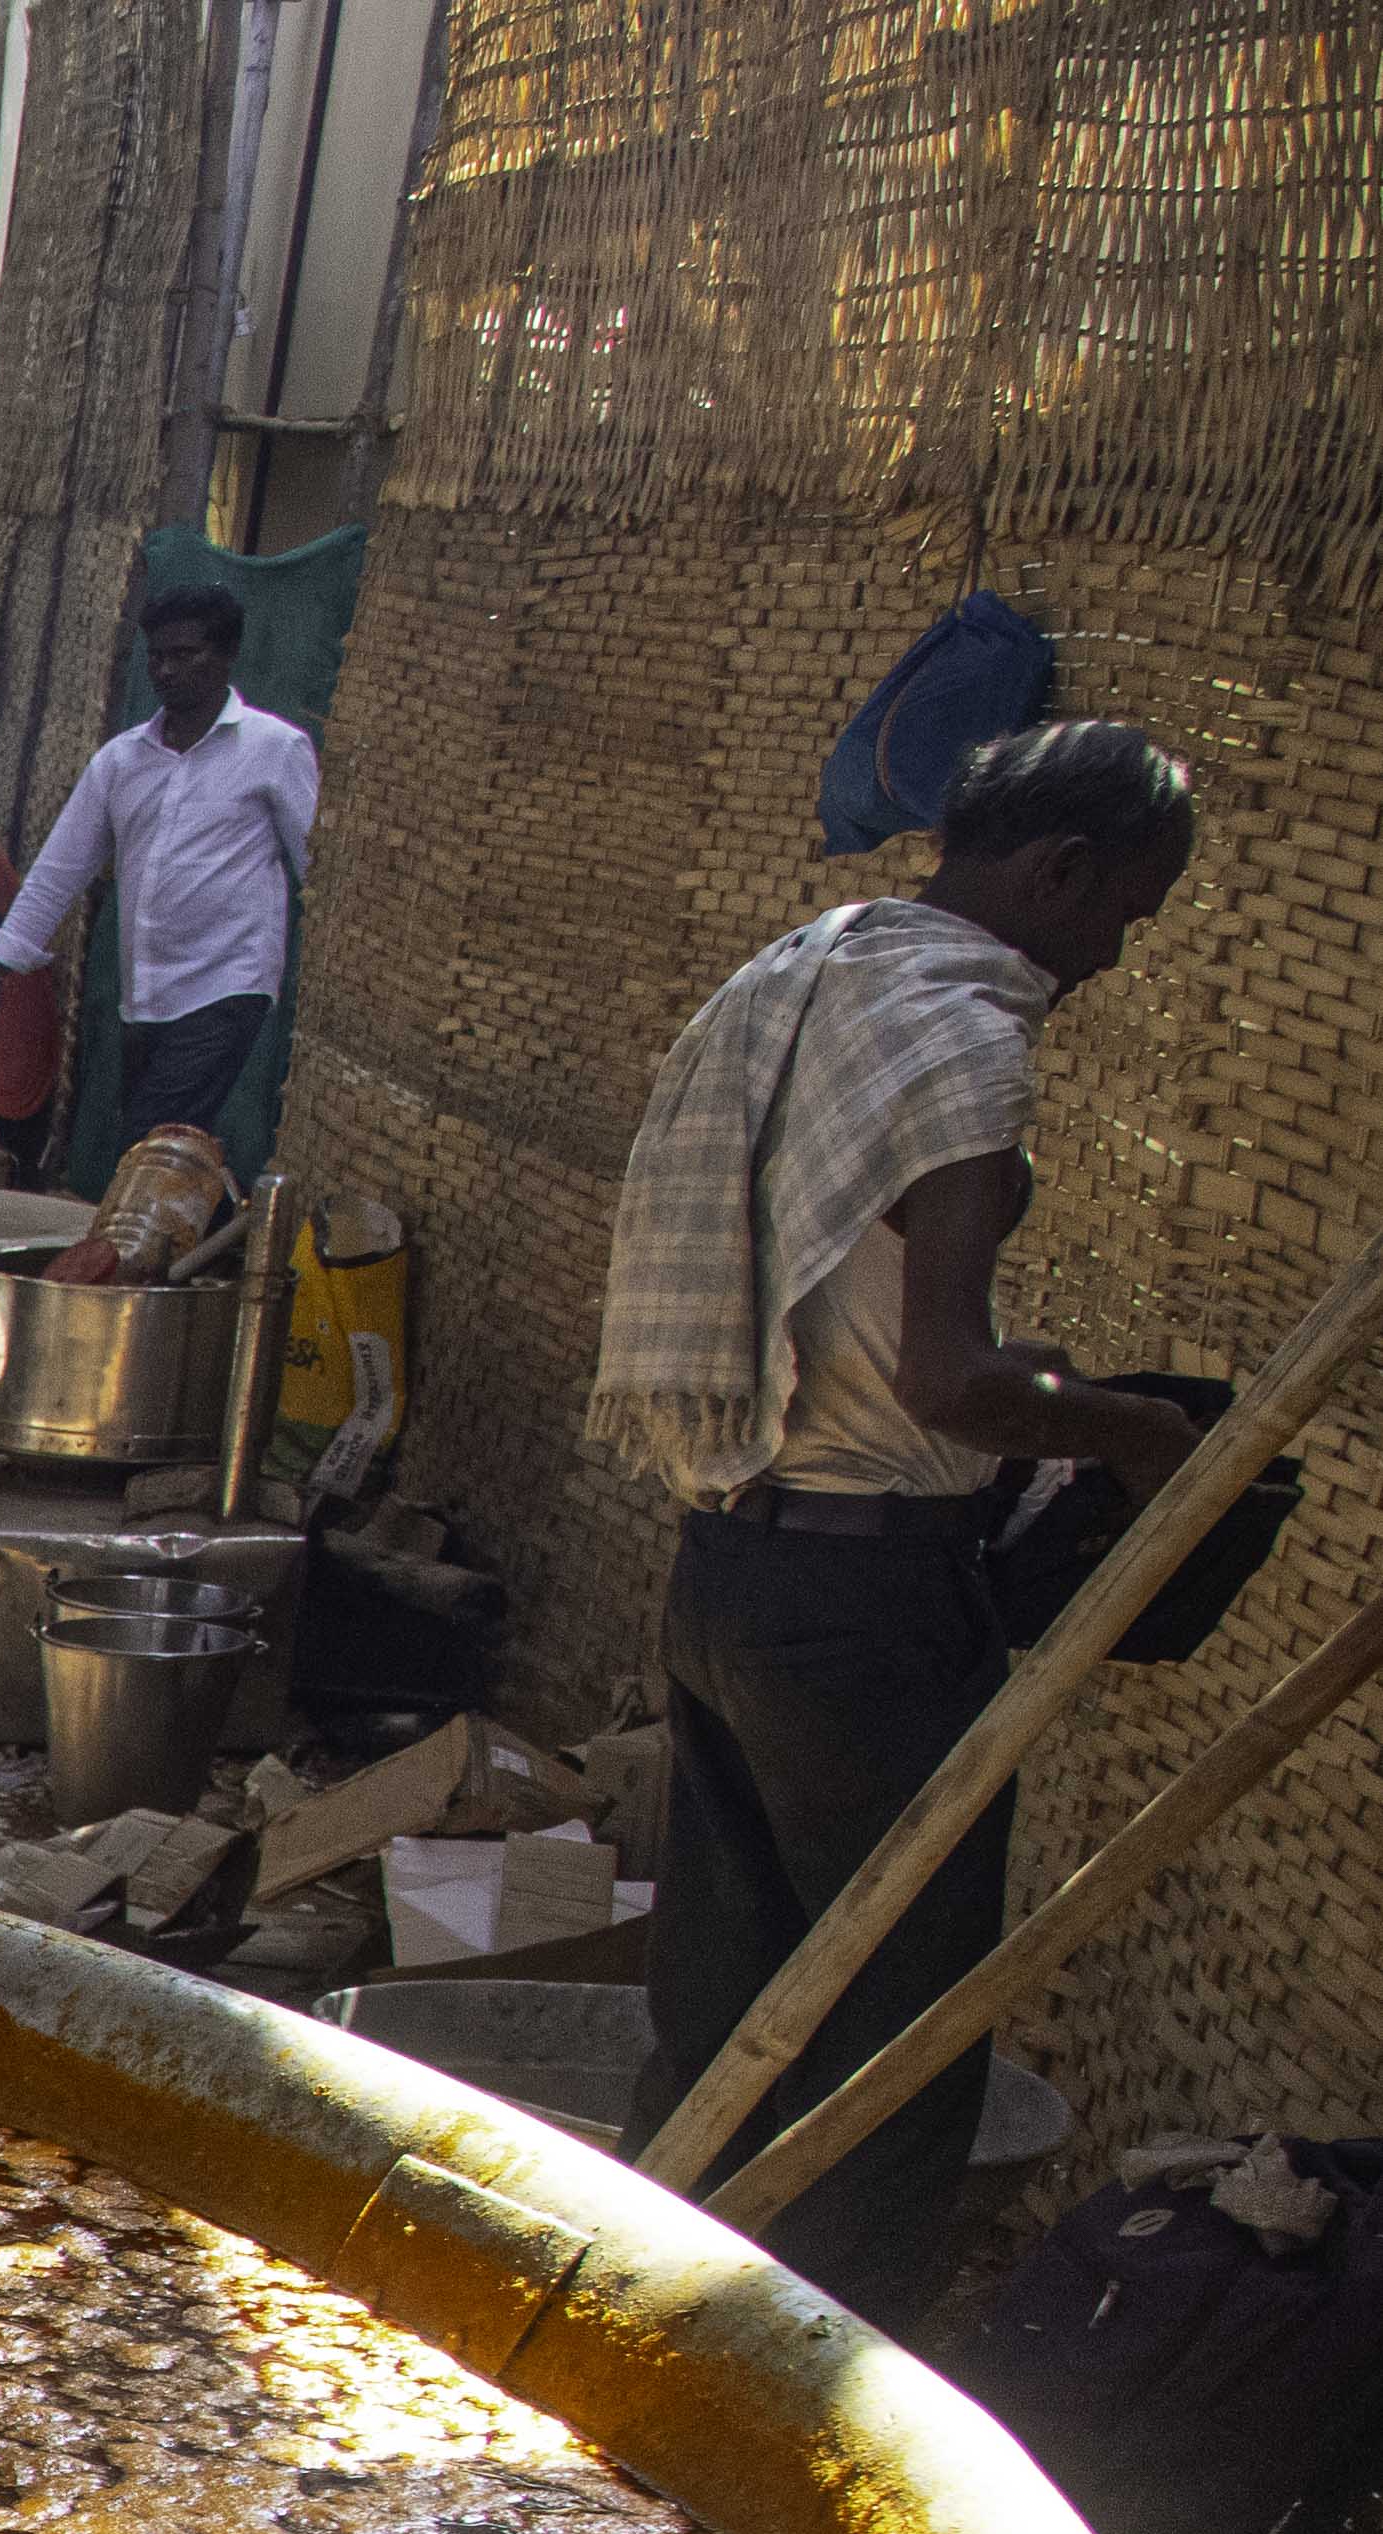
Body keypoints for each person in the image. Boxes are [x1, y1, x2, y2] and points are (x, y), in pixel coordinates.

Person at [594, 720, 1212, 2315]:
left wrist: (1046, 1391)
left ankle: (638, 2333)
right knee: (890, 2050)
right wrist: (1135, 1430)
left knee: (720, 2007)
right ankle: (813, 2401)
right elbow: (942, 1377)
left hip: (727, 1565)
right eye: (1120, 918)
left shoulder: (803, 976)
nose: (1110, 958)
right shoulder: (956, 1039)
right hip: (862, 1615)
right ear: (1055, 871)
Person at [0, 581, 325, 1161]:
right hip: (146, 993)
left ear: (226, 656)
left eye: (186, 654)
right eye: (158, 655)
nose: (167, 670)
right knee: (168, 1151)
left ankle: (135, 1252)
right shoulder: (120, 760)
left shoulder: (275, 749)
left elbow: (318, 871)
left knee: (150, 1144)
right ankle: (214, 1239)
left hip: (229, 982)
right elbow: (60, 868)